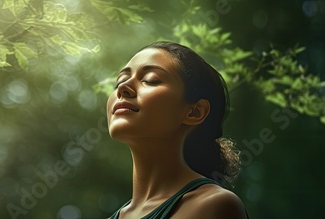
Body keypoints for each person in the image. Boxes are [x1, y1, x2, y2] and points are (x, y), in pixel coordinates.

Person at [107, 41, 249, 219]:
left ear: (194, 112)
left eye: (151, 79)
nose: (122, 88)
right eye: (120, 81)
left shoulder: (212, 206)